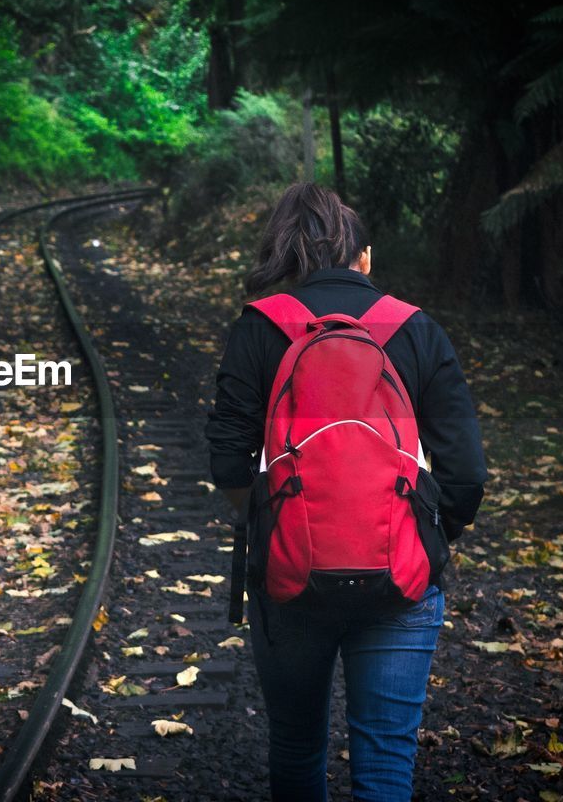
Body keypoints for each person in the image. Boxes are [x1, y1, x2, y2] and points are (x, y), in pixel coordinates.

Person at [204, 182, 488, 801]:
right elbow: (466, 474)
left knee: (298, 744)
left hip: (289, 579)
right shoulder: (416, 330)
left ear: (287, 257)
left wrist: (274, 525)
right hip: (401, 578)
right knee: (386, 755)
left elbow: (228, 463)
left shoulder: (258, 329)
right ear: (364, 259)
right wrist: (421, 533)